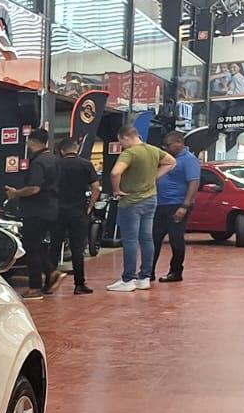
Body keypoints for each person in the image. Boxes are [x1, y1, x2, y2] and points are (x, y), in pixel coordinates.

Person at [106, 124, 174, 291]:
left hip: (131, 201)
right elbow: (171, 162)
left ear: (126, 137)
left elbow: (115, 172)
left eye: (121, 142)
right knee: (147, 239)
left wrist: (116, 190)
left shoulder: (129, 153)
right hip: (151, 199)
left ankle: (128, 279)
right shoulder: (153, 150)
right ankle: (144, 277)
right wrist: (154, 177)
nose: (122, 146)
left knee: (130, 240)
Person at [5, 128, 61, 299]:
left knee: (30, 247)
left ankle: (35, 286)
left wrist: (16, 193)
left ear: (31, 142)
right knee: (37, 245)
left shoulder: (38, 162)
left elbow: (34, 188)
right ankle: (51, 272)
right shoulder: (55, 159)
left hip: (36, 211)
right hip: (52, 208)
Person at [50, 136, 101, 294]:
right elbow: (96, 187)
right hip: (78, 212)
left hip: (57, 211)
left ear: (61, 150)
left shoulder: (55, 164)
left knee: (54, 247)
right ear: (76, 148)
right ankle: (79, 284)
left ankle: (49, 283)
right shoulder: (85, 164)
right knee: (77, 249)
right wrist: (90, 206)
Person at [151, 130, 200, 282]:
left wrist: (184, 206)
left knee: (176, 239)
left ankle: (176, 272)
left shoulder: (189, 160)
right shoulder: (167, 159)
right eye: (164, 146)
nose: (166, 148)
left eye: (169, 145)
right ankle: (148, 271)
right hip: (160, 204)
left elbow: (194, 183)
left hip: (177, 204)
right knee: (153, 238)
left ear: (179, 142)